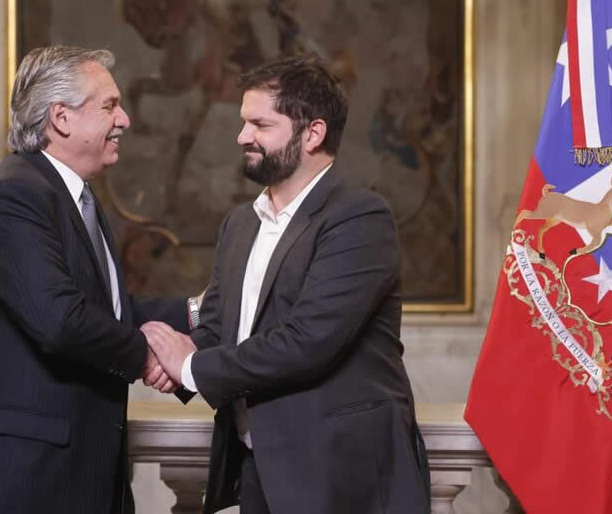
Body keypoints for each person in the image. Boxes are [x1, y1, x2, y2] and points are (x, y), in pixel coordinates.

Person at [0, 45, 196, 514]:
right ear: (61, 118)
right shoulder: (13, 194)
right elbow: (62, 320)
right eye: (109, 105)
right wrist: (152, 357)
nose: (124, 119)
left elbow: (109, 313)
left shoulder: (71, 196)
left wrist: (200, 313)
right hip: (10, 484)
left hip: (66, 478)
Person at [143, 54, 430, 514]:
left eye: (260, 124)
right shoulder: (240, 223)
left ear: (312, 133)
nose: (242, 137)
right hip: (259, 470)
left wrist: (191, 369)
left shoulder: (359, 217)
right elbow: (218, 327)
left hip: (341, 473)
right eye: (243, 123)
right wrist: (168, 359)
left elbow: (308, 341)